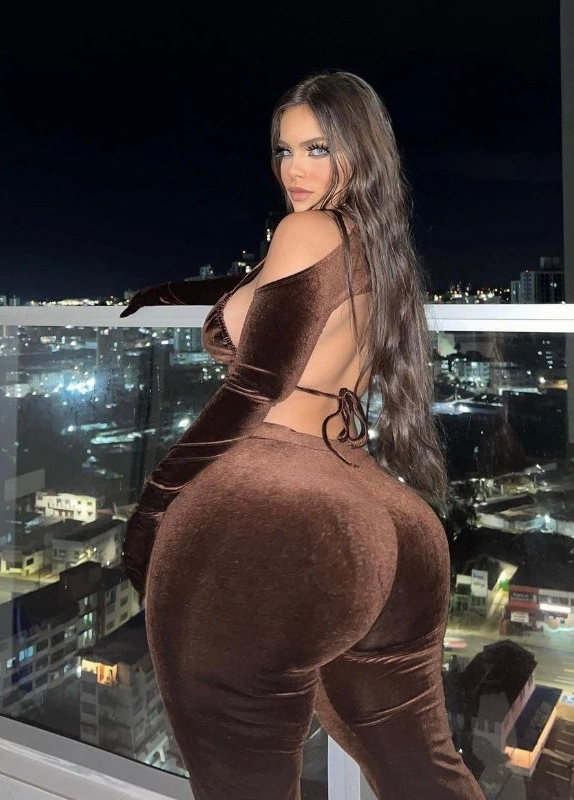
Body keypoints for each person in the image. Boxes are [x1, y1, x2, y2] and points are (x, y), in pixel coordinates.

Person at [120, 70, 484, 800]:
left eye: (318, 148)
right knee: (424, 776)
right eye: (284, 150)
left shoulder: (306, 230)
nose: (295, 169)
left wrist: (153, 506)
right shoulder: (378, 247)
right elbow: (273, 293)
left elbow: (255, 386)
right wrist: (170, 292)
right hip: (387, 512)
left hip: (281, 504)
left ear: (360, 150)